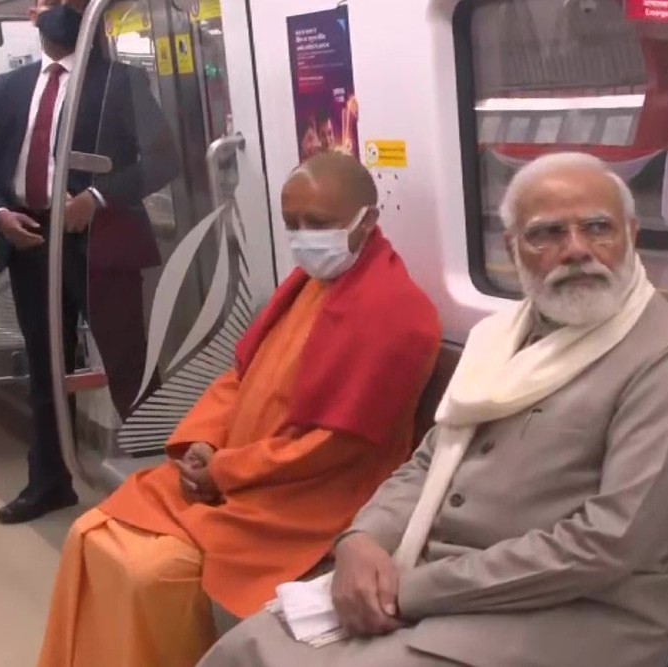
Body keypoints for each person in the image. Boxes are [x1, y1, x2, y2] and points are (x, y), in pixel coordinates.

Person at [199, 153, 668, 667]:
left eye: (599, 228)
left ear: (632, 236)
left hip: (580, 611)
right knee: (246, 647)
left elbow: (610, 543)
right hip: (447, 587)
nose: (577, 249)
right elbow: (427, 462)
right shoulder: (500, 338)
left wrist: (413, 590)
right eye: (547, 233)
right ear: (512, 248)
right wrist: (361, 541)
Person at [35, 153, 442, 667]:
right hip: (237, 473)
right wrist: (203, 444)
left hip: (307, 498)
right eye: (292, 223)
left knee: (148, 572)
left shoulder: (397, 314)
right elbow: (240, 377)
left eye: (318, 223)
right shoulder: (308, 285)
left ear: (368, 220)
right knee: (89, 532)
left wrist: (224, 472)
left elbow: (333, 448)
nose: (303, 237)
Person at [0, 0, 179, 524]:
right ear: (31, 14)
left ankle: (164, 483)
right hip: (30, 239)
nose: (58, 8)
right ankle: (49, 481)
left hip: (99, 239)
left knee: (129, 363)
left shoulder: (118, 82)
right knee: (45, 365)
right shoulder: (8, 88)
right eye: (49, 1)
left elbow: (163, 159)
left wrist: (98, 198)